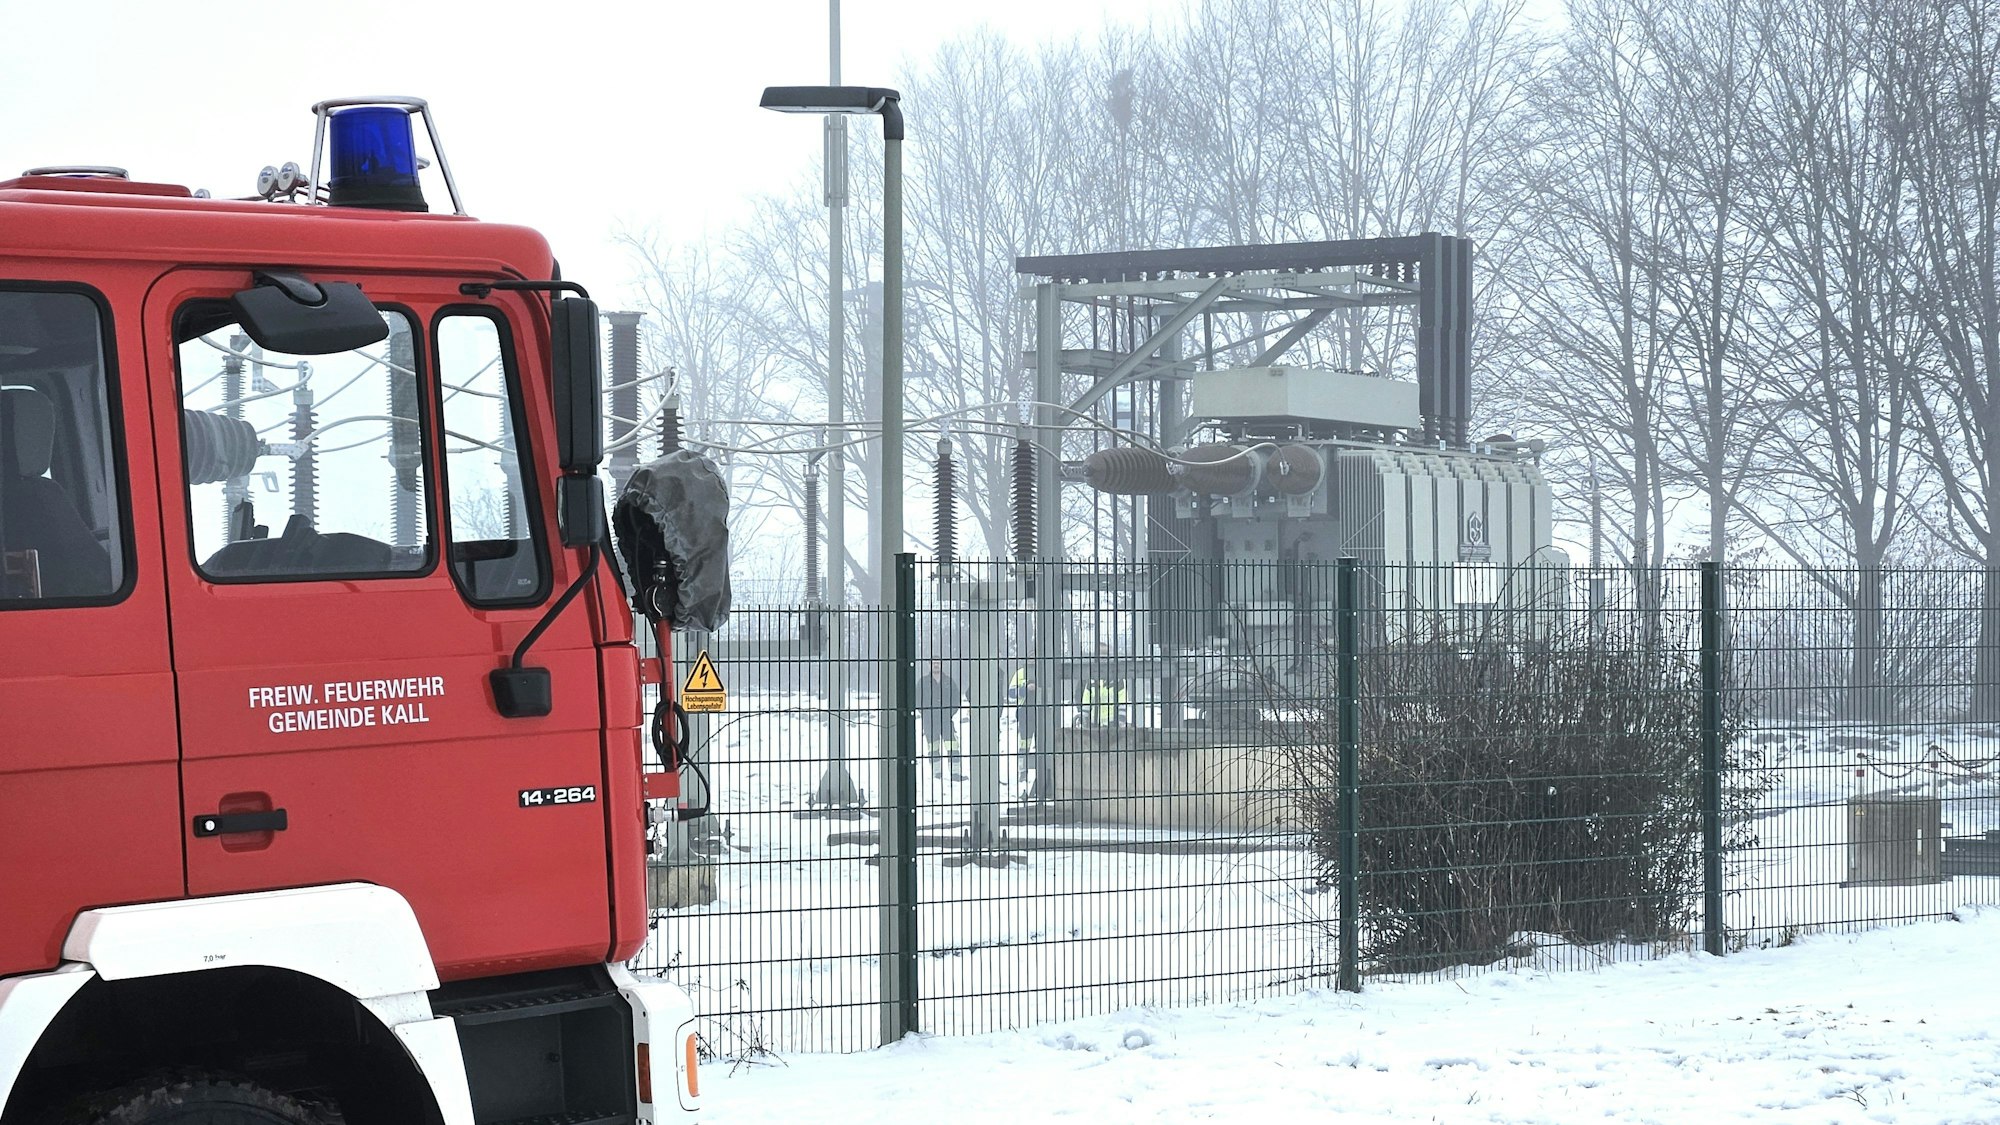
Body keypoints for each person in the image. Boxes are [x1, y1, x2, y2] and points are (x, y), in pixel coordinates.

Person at [914, 660, 965, 780]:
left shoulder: (948, 681)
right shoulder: (923, 682)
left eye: (938, 663)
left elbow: (956, 698)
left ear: (942, 665)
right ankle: (937, 774)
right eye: (933, 663)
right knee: (933, 747)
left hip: (946, 720)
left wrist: (949, 713)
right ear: (929, 665)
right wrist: (926, 713)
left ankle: (955, 773)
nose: (936, 665)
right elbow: (917, 699)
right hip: (929, 721)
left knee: (953, 746)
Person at [1007, 665, 1043, 787]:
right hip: (1025, 713)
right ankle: (1023, 772)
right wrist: (1025, 689)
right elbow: (1011, 692)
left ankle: (1042, 772)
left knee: (1042, 744)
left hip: (1042, 713)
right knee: (1024, 743)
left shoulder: (1044, 670)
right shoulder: (1021, 673)